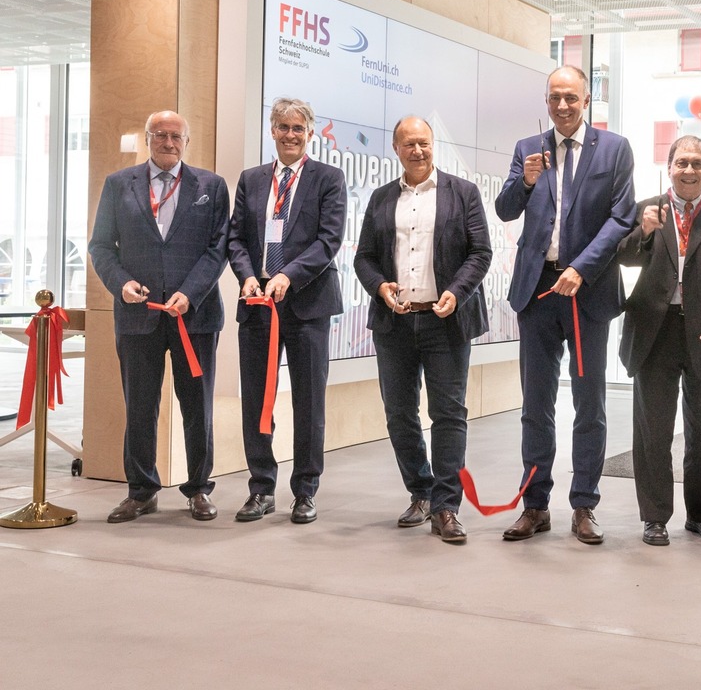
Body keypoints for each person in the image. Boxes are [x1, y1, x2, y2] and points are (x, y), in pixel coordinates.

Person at [494, 65, 636, 545]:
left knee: (588, 404)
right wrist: (527, 181)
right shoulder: (526, 149)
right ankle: (535, 506)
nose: (562, 105)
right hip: (537, 293)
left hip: (587, 292)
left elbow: (621, 218)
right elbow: (506, 209)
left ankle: (584, 504)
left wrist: (582, 268)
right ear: (547, 101)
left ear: (587, 98)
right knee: (535, 404)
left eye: (571, 97)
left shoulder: (614, 149)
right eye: (555, 97)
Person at [353, 117, 492, 544]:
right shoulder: (380, 198)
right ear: (396, 148)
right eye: (410, 144)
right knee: (399, 413)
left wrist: (456, 291)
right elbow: (364, 258)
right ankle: (421, 491)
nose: (419, 151)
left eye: (425, 143)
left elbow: (481, 252)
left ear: (434, 146)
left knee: (448, 413)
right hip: (394, 322)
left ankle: (447, 507)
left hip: (445, 320)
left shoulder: (462, 193)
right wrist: (379, 286)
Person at [89, 110, 229, 523]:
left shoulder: (211, 186)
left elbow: (217, 248)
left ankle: (199, 489)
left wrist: (191, 292)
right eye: (160, 135)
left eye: (176, 136)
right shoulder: (119, 185)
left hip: (195, 317)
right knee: (140, 406)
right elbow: (100, 246)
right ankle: (141, 490)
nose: (169, 142)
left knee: (197, 407)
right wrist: (122, 284)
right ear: (147, 139)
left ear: (188, 141)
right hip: (139, 316)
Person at [617, 136, 701, 546]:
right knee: (653, 430)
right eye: (681, 163)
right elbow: (623, 256)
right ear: (669, 166)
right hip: (655, 331)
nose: (688, 171)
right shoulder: (647, 209)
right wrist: (643, 232)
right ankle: (654, 517)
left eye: (696, 163)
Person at [227, 97, 347, 524]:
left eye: (299, 128)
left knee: (309, 403)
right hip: (257, 306)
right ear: (272, 131)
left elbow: (328, 240)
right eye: (283, 127)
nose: (290, 135)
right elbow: (236, 238)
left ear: (309, 133)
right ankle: (261, 488)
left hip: (307, 307)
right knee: (257, 403)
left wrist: (289, 276)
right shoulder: (252, 179)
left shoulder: (328, 179)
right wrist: (246, 276)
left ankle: (305, 491)